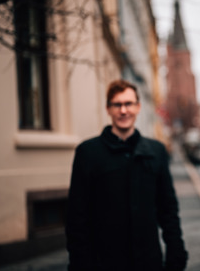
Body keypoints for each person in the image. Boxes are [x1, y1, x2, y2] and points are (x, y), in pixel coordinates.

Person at [66, 80, 188, 271]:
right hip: (105, 263)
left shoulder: (156, 151)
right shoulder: (88, 153)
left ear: (138, 107)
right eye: (117, 104)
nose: (123, 111)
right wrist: (80, 264)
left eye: (128, 104)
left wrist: (176, 255)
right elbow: (77, 218)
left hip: (149, 262)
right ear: (108, 109)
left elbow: (168, 210)